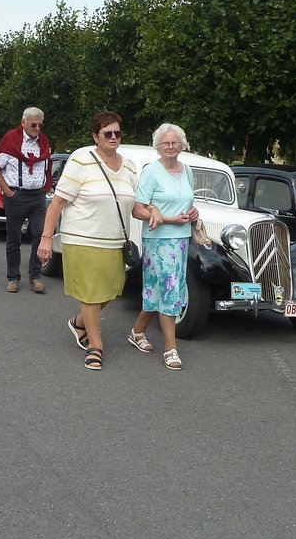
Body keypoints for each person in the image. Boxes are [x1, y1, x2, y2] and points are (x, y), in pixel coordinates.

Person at [37, 111, 138, 370]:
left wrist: (163, 214)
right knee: (92, 293)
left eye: (117, 132)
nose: (113, 137)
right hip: (82, 239)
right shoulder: (81, 162)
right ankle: (95, 345)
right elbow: (57, 203)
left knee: (111, 291)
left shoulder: (129, 167)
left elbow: (136, 207)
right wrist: (46, 238)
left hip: (115, 242)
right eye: (107, 133)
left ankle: (79, 322)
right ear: (96, 136)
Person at [128, 124, 199, 370]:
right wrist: (167, 219)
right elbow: (138, 209)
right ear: (157, 147)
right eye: (165, 143)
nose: (170, 147)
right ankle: (171, 349)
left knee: (159, 291)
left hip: (182, 238)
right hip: (158, 241)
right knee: (169, 290)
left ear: (182, 145)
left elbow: (187, 201)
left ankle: (137, 332)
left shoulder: (187, 170)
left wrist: (193, 212)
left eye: (174, 142)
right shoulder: (151, 171)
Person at [0, 107, 52, 294]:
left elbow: (47, 165)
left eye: (40, 125)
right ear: (23, 123)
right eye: (33, 125)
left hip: (37, 196)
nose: (37, 129)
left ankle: (35, 277)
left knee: (39, 234)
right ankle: (13, 278)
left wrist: (46, 187)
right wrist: (7, 191)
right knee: (14, 238)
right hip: (16, 196)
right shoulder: (11, 140)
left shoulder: (43, 141)